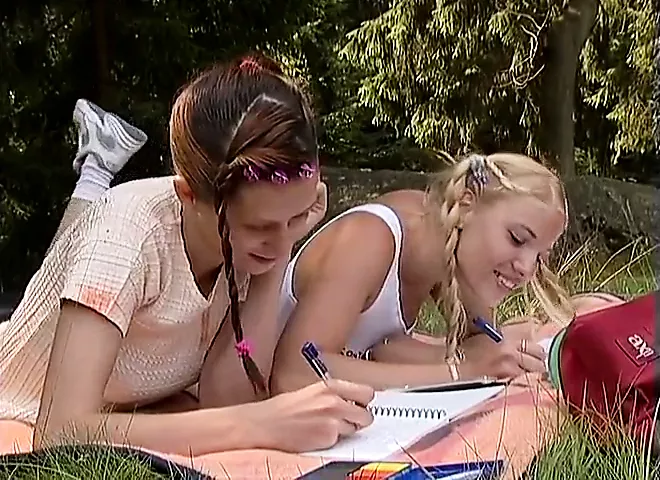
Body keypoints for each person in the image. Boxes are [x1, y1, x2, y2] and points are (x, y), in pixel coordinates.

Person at [0, 54, 374, 457]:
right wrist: (262, 423)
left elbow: (226, 399)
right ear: (188, 194)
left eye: (296, 218)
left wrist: (273, 262)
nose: (282, 241)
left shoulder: (254, 241)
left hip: (132, 412)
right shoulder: (126, 236)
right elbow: (59, 431)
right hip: (16, 411)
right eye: (259, 226)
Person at [271, 152, 589, 393]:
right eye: (517, 239)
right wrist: (461, 371)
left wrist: (489, 354)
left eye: (540, 257)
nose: (525, 268)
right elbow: (295, 375)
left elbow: (483, 342)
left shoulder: (448, 243)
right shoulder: (369, 240)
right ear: (467, 205)